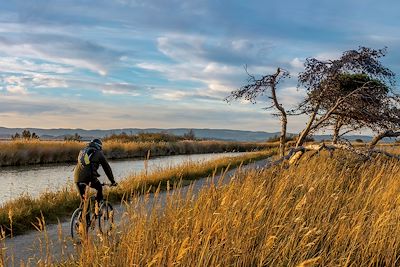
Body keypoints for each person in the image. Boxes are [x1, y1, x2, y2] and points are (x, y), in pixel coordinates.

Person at [74, 138, 117, 205]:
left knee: (84, 200)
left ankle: (83, 214)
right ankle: (97, 206)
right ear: (99, 146)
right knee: (99, 187)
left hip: (76, 178)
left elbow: (85, 166)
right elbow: (107, 168)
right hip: (89, 178)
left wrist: (96, 173)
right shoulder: (99, 153)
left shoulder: (82, 151)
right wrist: (112, 181)